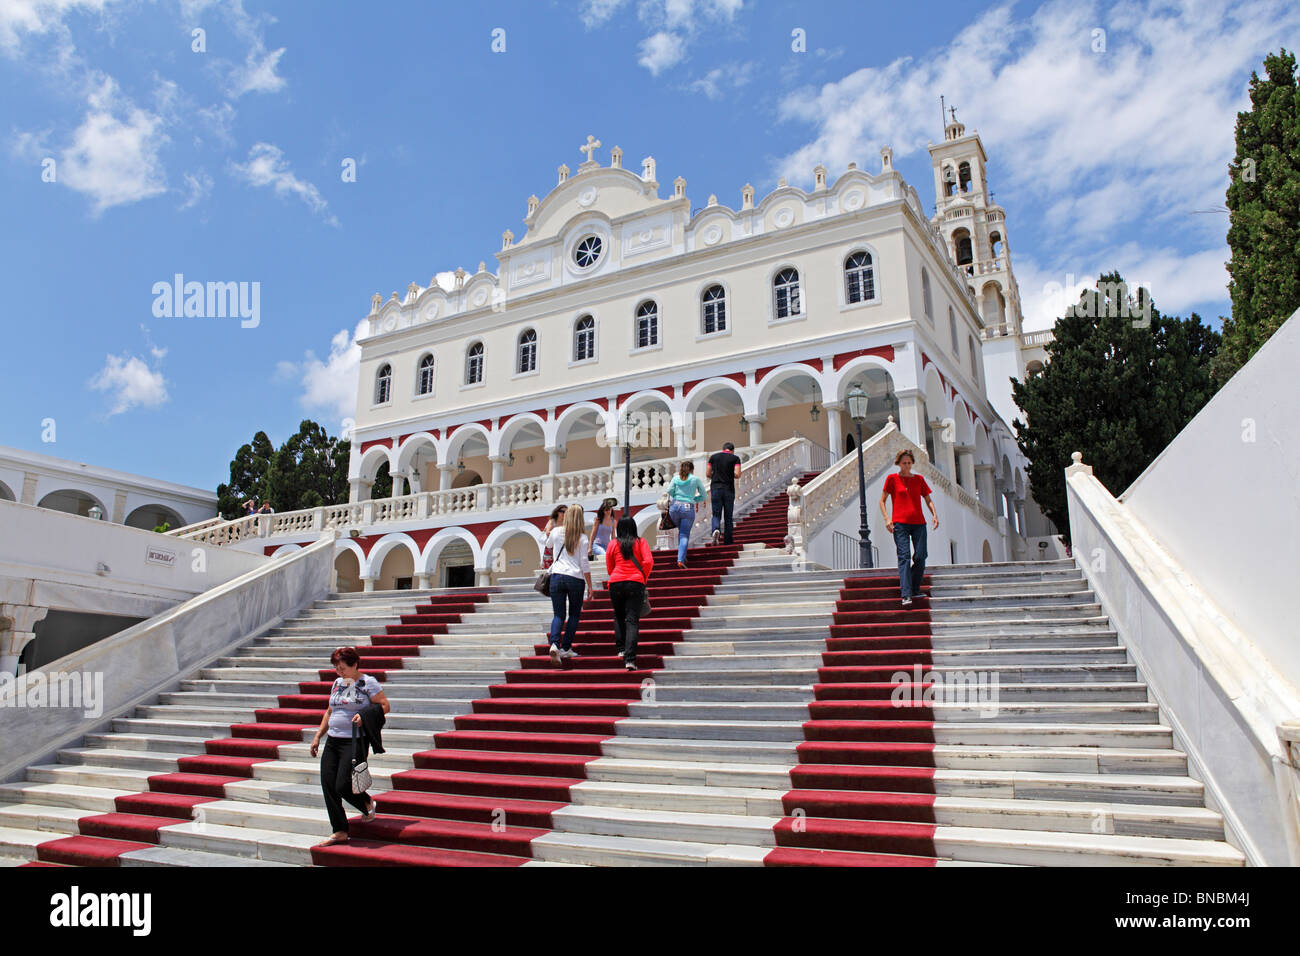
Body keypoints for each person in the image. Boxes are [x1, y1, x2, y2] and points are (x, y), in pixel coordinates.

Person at [310, 646, 390, 847]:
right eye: (336, 667)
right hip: (333, 740)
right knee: (328, 785)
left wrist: (364, 715)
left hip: (354, 740)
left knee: (343, 784)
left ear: (355, 664)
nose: (339, 671)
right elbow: (330, 711)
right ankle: (339, 830)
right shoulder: (339, 683)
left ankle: (367, 802)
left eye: (343, 667)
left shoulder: (367, 682)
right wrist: (318, 736)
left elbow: (384, 705)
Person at [879, 449, 939, 607]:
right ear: (898, 463)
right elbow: (882, 501)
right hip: (900, 524)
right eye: (904, 463)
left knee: (921, 556)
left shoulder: (919, 480)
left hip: (919, 523)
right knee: (904, 557)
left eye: (909, 463)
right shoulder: (892, 479)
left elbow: (928, 499)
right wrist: (887, 519)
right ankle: (906, 594)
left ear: (912, 463)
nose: (907, 466)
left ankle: (914, 588)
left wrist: (934, 515)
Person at [545, 504, 593, 664]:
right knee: (574, 615)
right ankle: (565, 648)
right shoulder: (583, 537)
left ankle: (554, 644)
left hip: (557, 576)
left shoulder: (557, 532)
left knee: (558, 614)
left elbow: (548, 544)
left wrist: (550, 526)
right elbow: (584, 563)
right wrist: (590, 586)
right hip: (575, 578)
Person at [605, 516, 653, 671]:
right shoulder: (640, 542)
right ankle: (630, 659)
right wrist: (643, 577)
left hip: (616, 581)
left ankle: (621, 649)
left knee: (618, 616)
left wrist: (615, 575)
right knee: (632, 620)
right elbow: (648, 561)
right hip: (635, 582)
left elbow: (609, 564)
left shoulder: (613, 543)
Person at [667, 460, 706, 569]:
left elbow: (669, 490)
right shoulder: (695, 479)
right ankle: (680, 559)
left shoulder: (675, 478)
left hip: (674, 508)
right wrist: (694, 498)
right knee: (684, 534)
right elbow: (704, 496)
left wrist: (676, 496)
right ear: (692, 469)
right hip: (687, 508)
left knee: (681, 532)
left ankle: (682, 555)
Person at [705, 441, 742, 545]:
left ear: (723, 449)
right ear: (732, 450)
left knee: (716, 514)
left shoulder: (713, 457)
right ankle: (728, 541)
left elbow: (707, 473)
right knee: (728, 516)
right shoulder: (735, 458)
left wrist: (717, 476)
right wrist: (730, 475)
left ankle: (715, 529)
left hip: (716, 488)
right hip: (728, 489)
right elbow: (738, 474)